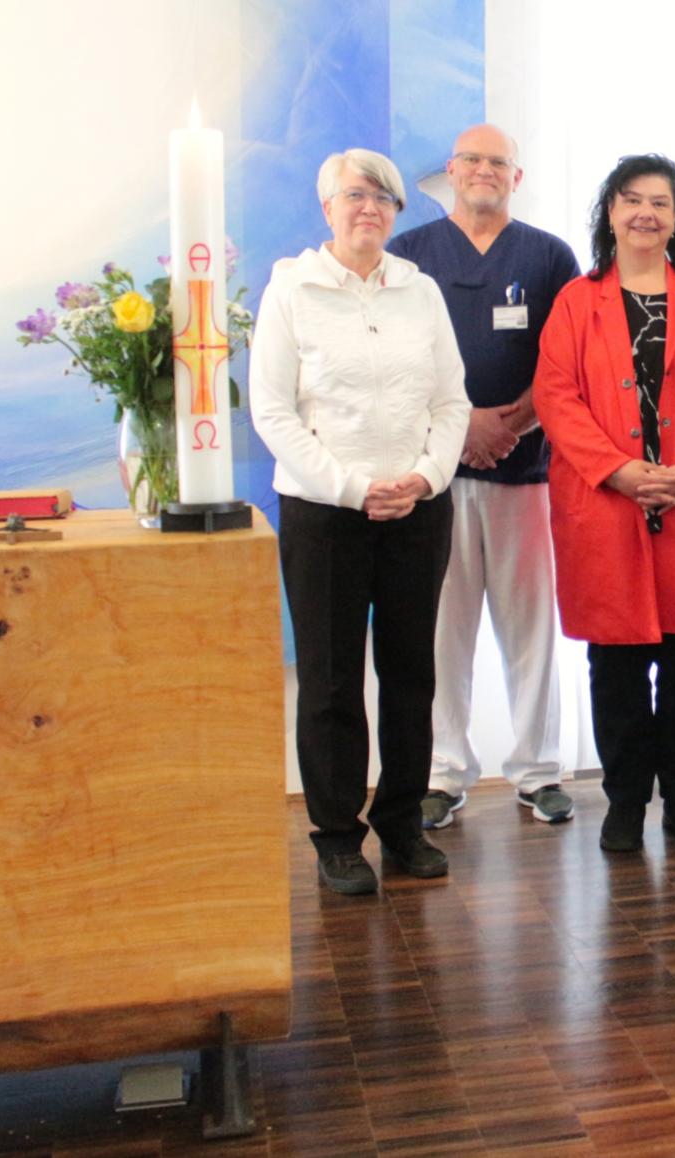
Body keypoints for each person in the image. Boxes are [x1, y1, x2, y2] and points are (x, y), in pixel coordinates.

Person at [251, 148, 471, 896]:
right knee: (332, 680)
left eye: (384, 198)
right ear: (328, 208)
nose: (369, 208)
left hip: (418, 508)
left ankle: (404, 825)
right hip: (325, 516)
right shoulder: (292, 291)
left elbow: (452, 403)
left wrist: (425, 476)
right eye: (355, 195)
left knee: (410, 673)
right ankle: (338, 837)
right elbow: (273, 412)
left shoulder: (422, 293)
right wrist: (351, 487)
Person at [532, 154, 675, 854]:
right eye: (631, 200)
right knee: (617, 668)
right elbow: (557, 396)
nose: (645, 214)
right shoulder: (576, 301)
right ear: (609, 211)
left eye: (660, 202)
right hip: (607, 506)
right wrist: (617, 470)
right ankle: (625, 803)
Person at [388, 124, 580, 832]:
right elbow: (397, 362)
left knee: (529, 628)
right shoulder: (408, 256)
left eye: (499, 161)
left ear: (516, 178)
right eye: (472, 159)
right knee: (444, 631)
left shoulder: (548, 257)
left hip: (525, 474)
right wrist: (461, 427)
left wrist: (510, 426)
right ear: (451, 170)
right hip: (433, 475)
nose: (484, 171)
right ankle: (444, 772)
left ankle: (538, 771)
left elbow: (565, 363)